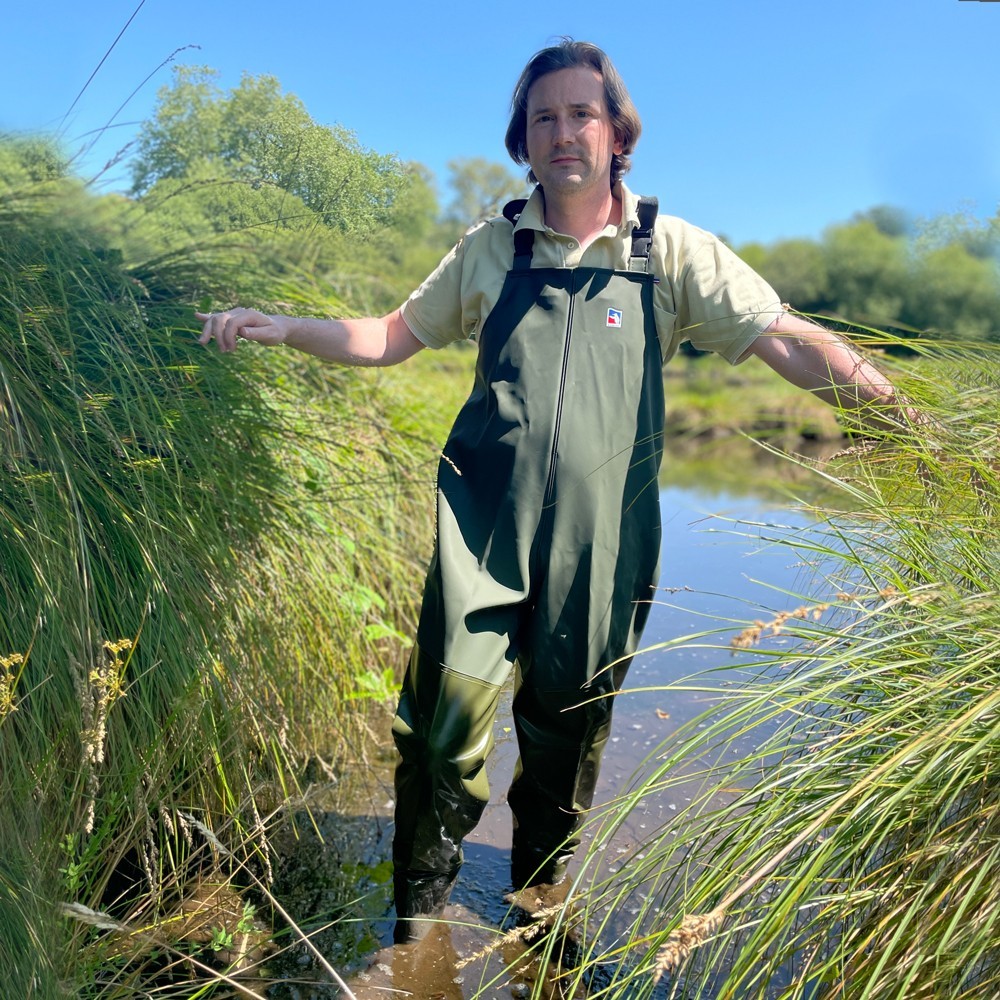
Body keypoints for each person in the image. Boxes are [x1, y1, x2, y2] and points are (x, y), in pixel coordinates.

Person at [197, 40, 914, 943]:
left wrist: (897, 415)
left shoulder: (671, 249)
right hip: (482, 521)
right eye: (545, 117)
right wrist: (282, 327)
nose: (564, 131)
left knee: (568, 729)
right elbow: (388, 337)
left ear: (617, 133)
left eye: (582, 113)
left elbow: (784, 338)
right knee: (438, 727)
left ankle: (537, 898)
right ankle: (418, 908)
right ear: (524, 141)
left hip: (606, 535)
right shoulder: (489, 249)